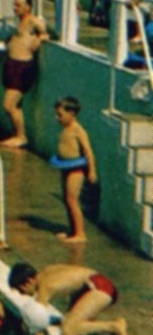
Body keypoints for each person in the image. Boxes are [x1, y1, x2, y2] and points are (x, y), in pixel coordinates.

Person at [7, 263, 128, 335]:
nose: (23, 294)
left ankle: (114, 326)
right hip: (96, 283)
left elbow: (36, 321)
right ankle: (109, 334)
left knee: (68, 329)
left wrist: (22, 331)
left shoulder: (44, 286)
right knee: (73, 323)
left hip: (99, 289)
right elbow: (77, 276)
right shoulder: (47, 271)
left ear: (28, 281)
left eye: (21, 290)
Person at [0, 0, 48, 149]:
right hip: (12, 65)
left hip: (22, 67)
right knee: (15, 105)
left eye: (18, 5)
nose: (15, 8)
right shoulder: (20, 22)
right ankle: (17, 135)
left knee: (8, 105)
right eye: (14, 5)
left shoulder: (33, 21)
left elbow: (46, 32)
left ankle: (21, 136)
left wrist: (39, 39)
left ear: (28, 7)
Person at [51, 96, 96, 242]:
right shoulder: (66, 129)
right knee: (67, 199)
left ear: (72, 114)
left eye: (60, 115)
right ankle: (72, 231)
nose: (57, 118)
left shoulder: (78, 130)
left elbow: (88, 151)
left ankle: (80, 234)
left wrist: (92, 171)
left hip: (76, 170)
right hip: (66, 167)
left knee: (72, 200)